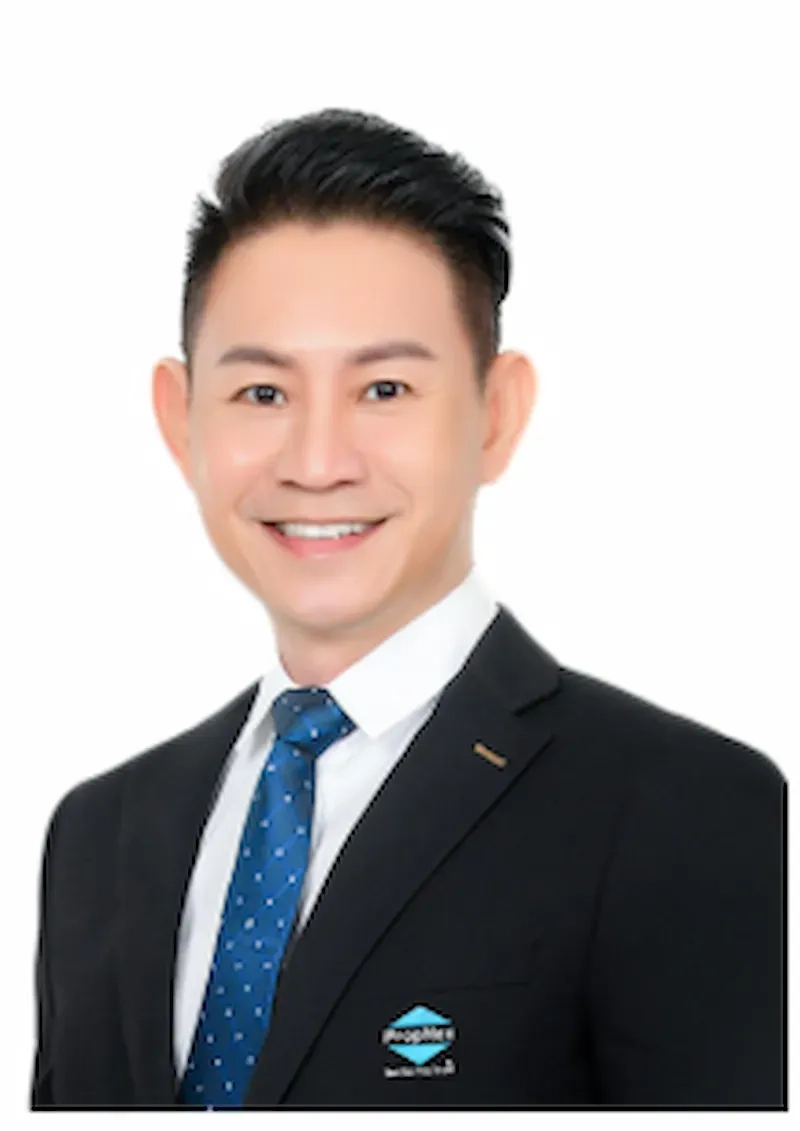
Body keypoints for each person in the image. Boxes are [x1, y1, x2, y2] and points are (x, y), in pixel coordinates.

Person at [30, 107, 785, 1111]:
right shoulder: (96, 835)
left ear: (495, 415)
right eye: (262, 395)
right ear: (182, 421)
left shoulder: (687, 810)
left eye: (384, 389)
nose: (317, 463)